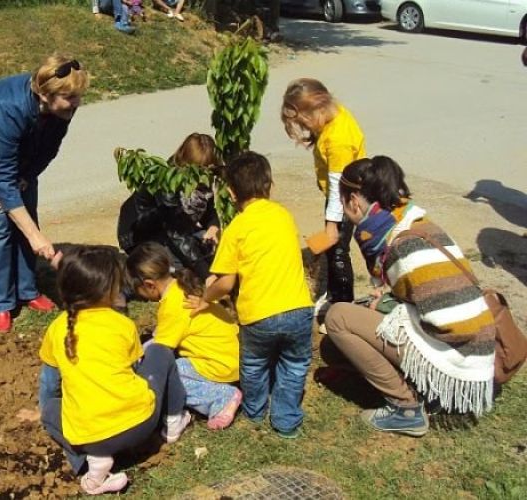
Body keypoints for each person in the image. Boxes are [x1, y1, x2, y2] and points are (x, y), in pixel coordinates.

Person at [324, 156, 495, 436]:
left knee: (338, 317)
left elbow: (438, 318)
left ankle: (405, 408)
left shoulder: (399, 245)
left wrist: (385, 304)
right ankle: (417, 388)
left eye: (343, 203)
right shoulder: (412, 221)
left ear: (353, 201)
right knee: (366, 310)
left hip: (459, 351)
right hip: (477, 344)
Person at [0, 55, 89, 334]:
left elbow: (49, 148)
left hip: (15, 149)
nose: (77, 103)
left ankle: (27, 289)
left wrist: (27, 175)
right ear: (45, 95)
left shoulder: (63, 109)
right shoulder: (8, 108)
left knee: (26, 209)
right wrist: (36, 237)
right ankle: (2, 302)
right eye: (70, 97)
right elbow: (1, 173)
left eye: (78, 96)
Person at [39, 245, 190, 495]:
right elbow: (134, 369)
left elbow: (48, 381)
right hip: (142, 425)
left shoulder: (56, 330)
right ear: (108, 290)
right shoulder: (122, 324)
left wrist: (43, 409)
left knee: (51, 410)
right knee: (160, 351)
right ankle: (173, 422)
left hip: (93, 438)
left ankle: (91, 464)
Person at [187, 151, 313, 438]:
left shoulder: (236, 228)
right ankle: (286, 422)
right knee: (294, 365)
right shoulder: (284, 216)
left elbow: (225, 284)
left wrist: (205, 298)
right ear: (269, 185)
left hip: (258, 315)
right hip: (299, 309)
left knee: (254, 365)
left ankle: (255, 412)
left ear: (231, 193)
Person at [127, 242, 242, 430]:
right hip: (234, 357)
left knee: (168, 375)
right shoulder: (181, 288)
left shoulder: (172, 305)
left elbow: (160, 349)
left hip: (220, 366)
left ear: (149, 285)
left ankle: (221, 397)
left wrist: (133, 359)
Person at [281, 78, 366, 311]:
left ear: (318, 107)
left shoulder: (338, 139)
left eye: (304, 123)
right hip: (341, 195)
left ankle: (343, 303)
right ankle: (333, 293)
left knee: (338, 250)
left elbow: (339, 185)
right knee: (332, 248)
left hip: (347, 199)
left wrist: (331, 224)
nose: (305, 129)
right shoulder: (334, 115)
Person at [117, 133, 221, 281]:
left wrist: (213, 226)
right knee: (176, 266)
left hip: (177, 227)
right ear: (186, 163)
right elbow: (177, 235)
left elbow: (209, 211)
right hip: (142, 233)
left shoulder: (202, 179)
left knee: (210, 250)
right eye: (199, 170)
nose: (204, 176)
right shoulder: (167, 183)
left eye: (208, 170)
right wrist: (207, 276)